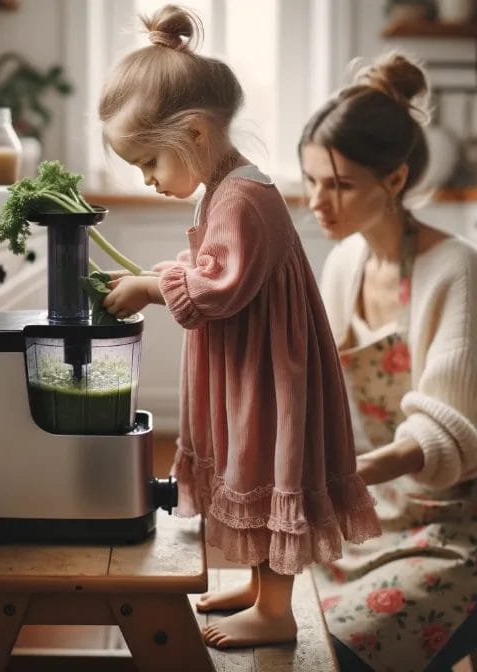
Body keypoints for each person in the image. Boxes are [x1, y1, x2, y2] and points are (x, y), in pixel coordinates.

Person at [100, 3, 381, 651]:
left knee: (268, 467)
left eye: (150, 163)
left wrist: (149, 286)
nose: (147, 179)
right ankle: (259, 592)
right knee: (249, 467)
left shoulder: (245, 198)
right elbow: (213, 269)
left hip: (267, 374)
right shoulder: (225, 189)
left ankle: (276, 611)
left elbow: (217, 288)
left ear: (195, 133)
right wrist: (163, 276)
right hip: (246, 367)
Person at [299, 51, 477, 672]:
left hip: (455, 531)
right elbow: (310, 387)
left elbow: (441, 433)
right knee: (290, 626)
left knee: (340, 650)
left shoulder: (455, 268)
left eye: (341, 184)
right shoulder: (344, 262)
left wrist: (344, 479)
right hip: (375, 515)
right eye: (312, 179)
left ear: (395, 180)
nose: (318, 201)